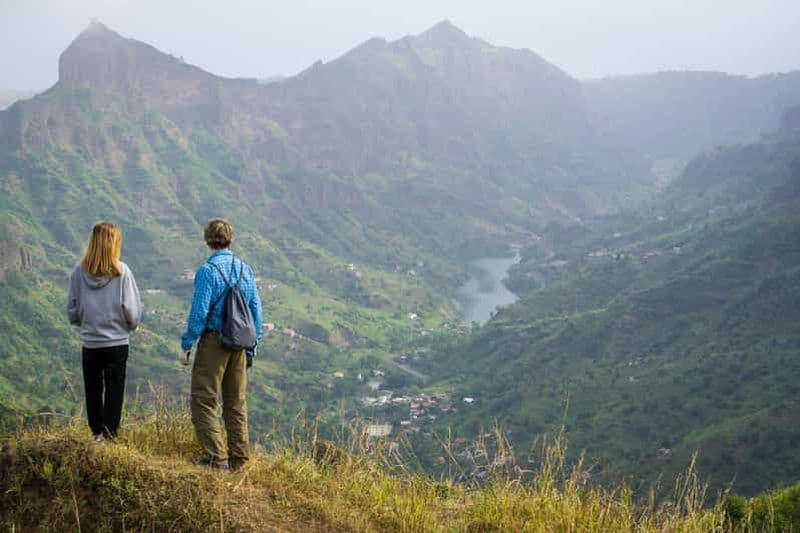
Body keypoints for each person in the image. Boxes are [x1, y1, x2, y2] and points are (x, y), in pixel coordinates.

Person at [180, 218, 262, 470]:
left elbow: (199, 312)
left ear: (207, 240)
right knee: (235, 402)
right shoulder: (243, 269)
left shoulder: (207, 271)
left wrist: (187, 342)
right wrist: (253, 343)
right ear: (230, 239)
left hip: (215, 342)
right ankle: (239, 459)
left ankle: (216, 457)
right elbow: (255, 308)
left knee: (203, 399)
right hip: (239, 343)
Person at [67, 221, 142, 441]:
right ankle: (110, 435)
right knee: (114, 388)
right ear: (114, 244)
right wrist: (131, 325)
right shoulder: (122, 271)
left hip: (90, 342)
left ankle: (96, 432)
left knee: (93, 388)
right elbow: (131, 309)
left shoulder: (78, 272)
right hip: (117, 341)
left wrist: (84, 320)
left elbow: (72, 309)